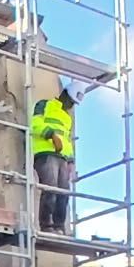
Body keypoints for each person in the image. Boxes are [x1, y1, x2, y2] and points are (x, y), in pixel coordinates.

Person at [31, 82, 80, 235]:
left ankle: (59, 226)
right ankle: (46, 225)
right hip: (45, 153)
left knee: (63, 193)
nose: (71, 105)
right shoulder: (44, 105)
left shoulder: (67, 117)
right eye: (71, 101)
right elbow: (35, 124)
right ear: (64, 94)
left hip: (62, 158)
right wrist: (50, 134)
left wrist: (71, 161)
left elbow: (67, 139)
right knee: (50, 189)